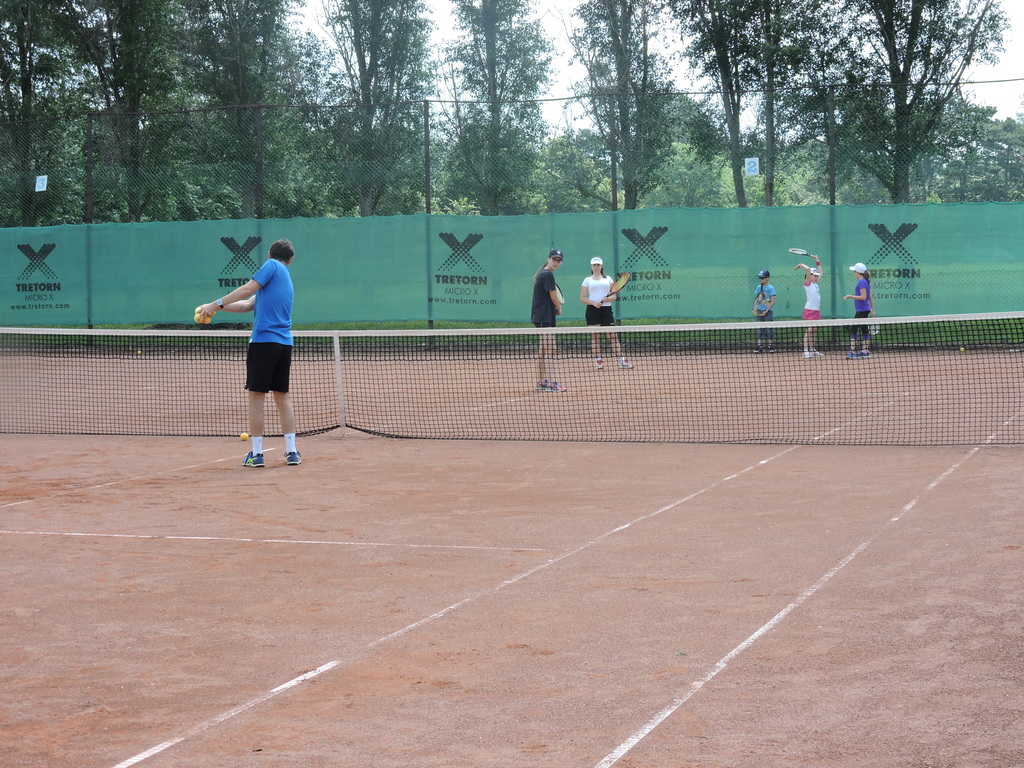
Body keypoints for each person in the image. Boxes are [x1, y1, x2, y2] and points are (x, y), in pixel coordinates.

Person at [197, 238, 301, 467]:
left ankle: (256, 454)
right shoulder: (283, 278)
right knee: (282, 396)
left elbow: (247, 289)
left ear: (269, 254)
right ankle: (292, 452)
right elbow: (246, 305)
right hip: (284, 344)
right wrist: (214, 307)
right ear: (290, 259)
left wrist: (216, 303)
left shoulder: (271, 266)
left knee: (256, 397)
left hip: (264, 342)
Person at [580, 256, 633, 370]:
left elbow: (614, 296)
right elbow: (582, 298)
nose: (596, 267)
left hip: (606, 310)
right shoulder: (587, 280)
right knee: (595, 337)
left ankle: (621, 360)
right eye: (594, 265)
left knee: (613, 336)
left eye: (598, 265)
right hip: (592, 310)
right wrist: (594, 303)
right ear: (591, 266)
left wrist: (607, 299)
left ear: (601, 266)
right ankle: (598, 360)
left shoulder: (608, 279)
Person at [531, 248, 566, 392]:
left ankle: (541, 382)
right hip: (544, 317)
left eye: (559, 261)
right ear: (548, 259)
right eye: (554, 259)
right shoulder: (547, 275)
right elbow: (553, 296)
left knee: (544, 349)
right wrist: (559, 308)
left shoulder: (543, 274)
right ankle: (551, 383)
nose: (556, 263)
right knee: (550, 349)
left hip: (543, 316)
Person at [794, 254, 824, 357]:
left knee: (814, 331)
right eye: (814, 275)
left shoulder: (815, 283)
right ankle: (806, 350)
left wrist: (817, 260)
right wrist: (801, 265)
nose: (816, 277)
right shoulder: (808, 283)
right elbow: (807, 270)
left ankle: (812, 350)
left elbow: (821, 273)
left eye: (816, 276)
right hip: (809, 310)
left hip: (816, 311)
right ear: (809, 276)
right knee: (809, 330)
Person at [843, 261, 874, 358]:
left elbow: (864, 297)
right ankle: (865, 351)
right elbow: (870, 297)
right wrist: (872, 309)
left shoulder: (861, 282)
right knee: (864, 329)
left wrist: (850, 296)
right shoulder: (866, 282)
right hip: (865, 309)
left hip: (862, 310)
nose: (854, 273)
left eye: (854, 271)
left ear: (858, 272)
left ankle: (852, 352)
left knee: (854, 329)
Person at [753, 269, 776, 352]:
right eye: (760, 277)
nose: (761, 279)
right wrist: (755, 307)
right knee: (759, 329)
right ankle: (759, 346)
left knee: (769, 329)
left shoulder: (771, 288)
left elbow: (773, 301)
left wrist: (767, 310)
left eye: (762, 278)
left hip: (768, 312)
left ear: (767, 278)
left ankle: (770, 346)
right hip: (759, 311)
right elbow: (757, 299)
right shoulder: (759, 288)